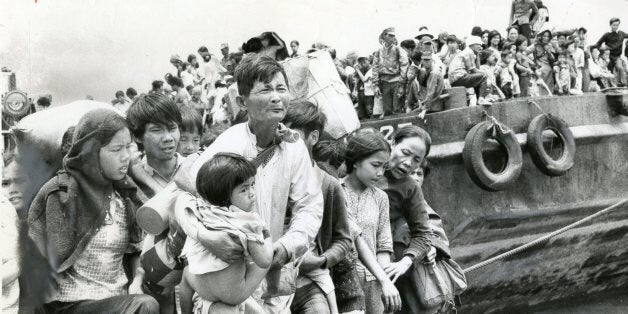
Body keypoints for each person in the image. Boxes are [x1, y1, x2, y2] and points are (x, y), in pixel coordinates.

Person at [175, 54, 324, 313]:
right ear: (243, 101)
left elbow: (310, 206)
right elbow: (187, 196)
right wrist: (207, 236)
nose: (277, 97)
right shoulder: (229, 143)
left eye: (281, 89)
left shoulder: (294, 145)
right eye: (265, 90)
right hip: (219, 275)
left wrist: (287, 247)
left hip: (265, 270)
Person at [27, 109, 159, 313]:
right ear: (90, 152)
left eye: (128, 147)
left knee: (147, 300)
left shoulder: (125, 194)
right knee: (145, 306)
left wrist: (137, 280)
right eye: (116, 150)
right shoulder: (61, 192)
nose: (126, 157)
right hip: (67, 303)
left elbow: (134, 250)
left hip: (116, 302)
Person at [179, 153, 273, 313]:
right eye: (244, 189)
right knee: (270, 256)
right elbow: (263, 261)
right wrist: (267, 237)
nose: (252, 193)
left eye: (252, 185)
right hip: (233, 294)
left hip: (202, 288)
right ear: (224, 196)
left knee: (187, 273)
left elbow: (182, 200)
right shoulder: (247, 221)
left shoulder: (202, 208)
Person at [283, 101, 353, 314]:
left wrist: (321, 261)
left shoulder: (328, 185)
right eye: (280, 133)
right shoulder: (263, 178)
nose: (283, 141)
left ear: (313, 137)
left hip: (310, 284)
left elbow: (343, 239)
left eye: (291, 135)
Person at [126, 93, 185, 313]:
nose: (168, 137)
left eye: (172, 128)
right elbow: (132, 243)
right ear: (138, 137)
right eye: (156, 130)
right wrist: (137, 279)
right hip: (152, 285)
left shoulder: (198, 171)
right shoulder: (129, 182)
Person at [375, 125, 436, 313]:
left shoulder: (410, 188)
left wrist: (406, 261)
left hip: (382, 255)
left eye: (417, 160)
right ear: (392, 144)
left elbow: (424, 233)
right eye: (405, 152)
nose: (408, 163)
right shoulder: (363, 167)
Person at [341, 131, 401, 314]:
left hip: (373, 284)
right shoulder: (335, 190)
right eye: (375, 165)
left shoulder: (381, 198)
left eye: (384, 167)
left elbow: (383, 244)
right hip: (342, 283)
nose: (380, 173)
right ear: (356, 160)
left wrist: (385, 282)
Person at [372, 27, 409, 116]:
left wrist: (401, 85)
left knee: (397, 108)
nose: (392, 38)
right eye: (390, 35)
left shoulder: (398, 49)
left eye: (393, 36)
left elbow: (404, 65)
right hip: (384, 83)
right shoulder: (378, 51)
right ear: (384, 36)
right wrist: (376, 85)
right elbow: (375, 68)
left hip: (396, 81)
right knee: (387, 109)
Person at [448, 36, 491, 106]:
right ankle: (481, 99)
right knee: (484, 75)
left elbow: (477, 68)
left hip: (455, 78)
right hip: (459, 77)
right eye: (478, 45)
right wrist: (486, 73)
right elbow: (473, 70)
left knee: (479, 78)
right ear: (472, 45)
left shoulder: (470, 52)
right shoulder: (469, 52)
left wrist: (477, 55)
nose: (480, 47)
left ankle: (480, 99)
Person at [595, 17, 628, 86]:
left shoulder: (621, 34)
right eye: (614, 25)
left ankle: (621, 84)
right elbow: (598, 44)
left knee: (620, 67)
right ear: (610, 25)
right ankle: (609, 86)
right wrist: (603, 49)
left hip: (617, 57)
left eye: (617, 25)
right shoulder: (607, 35)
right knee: (609, 71)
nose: (615, 27)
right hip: (608, 56)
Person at [533, 29, 557, 94]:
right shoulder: (536, 45)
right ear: (541, 36)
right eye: (544, 36)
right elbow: (526, 53)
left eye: (547, 36)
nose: (546, 38)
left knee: (549, 89)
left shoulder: (550, 45)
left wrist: (549, 52)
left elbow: (553, 58)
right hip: (540, 68)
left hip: (549, 69)